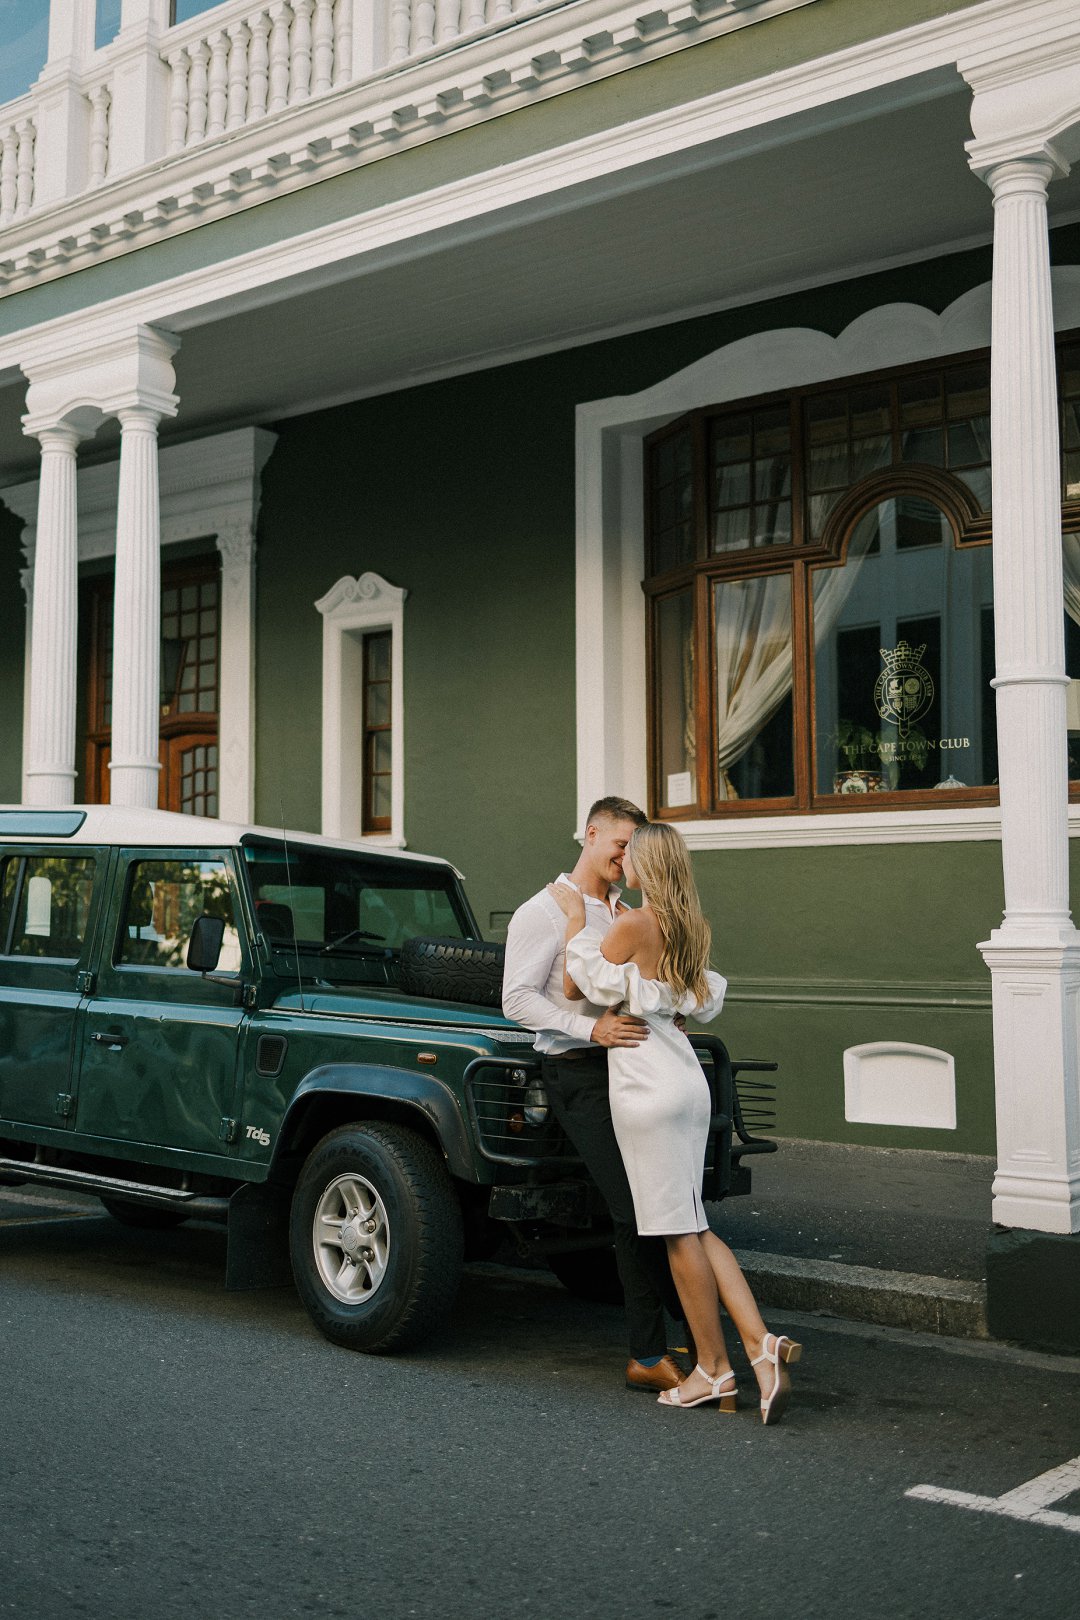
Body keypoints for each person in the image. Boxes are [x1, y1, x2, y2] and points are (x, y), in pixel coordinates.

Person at [548, 820, 802, 1425]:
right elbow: (689, 999)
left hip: (648, 1086)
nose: (624, 862)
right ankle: (760, 1345)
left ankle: (711, 1371)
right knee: (696, 1224)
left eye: (631, 854)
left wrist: (577, 920)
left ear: (649, 864)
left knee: (675, 1233)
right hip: (687, 1081)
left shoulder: (633, 923)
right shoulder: (690, 927)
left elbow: (575, 986)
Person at [502, 797, 690, 1393]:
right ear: (590, 834)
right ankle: (648, 1353)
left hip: (633, 1071)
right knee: (633, 1208)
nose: (626, 856)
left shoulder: (625, 912)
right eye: (621, 844)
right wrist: (591, 1031)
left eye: (634, 848)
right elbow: (516, 999)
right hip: (576, 1072)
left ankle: (693, 1338)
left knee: (658, 1206)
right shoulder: (543, 909)